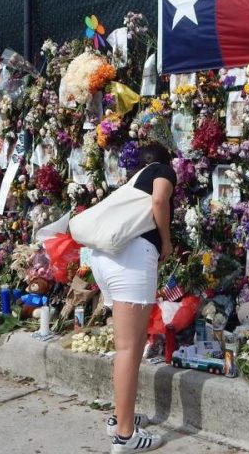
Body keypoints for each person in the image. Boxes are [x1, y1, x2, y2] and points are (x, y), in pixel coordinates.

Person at [89, 142, 175, 452]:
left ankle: (119, 418)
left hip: (105, 260)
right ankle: (125, 436)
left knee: (132, 345)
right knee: (128, 348)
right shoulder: (160, 171)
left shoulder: (131, 181)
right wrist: (166, 241)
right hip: (131, 261)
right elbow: (160, 198)